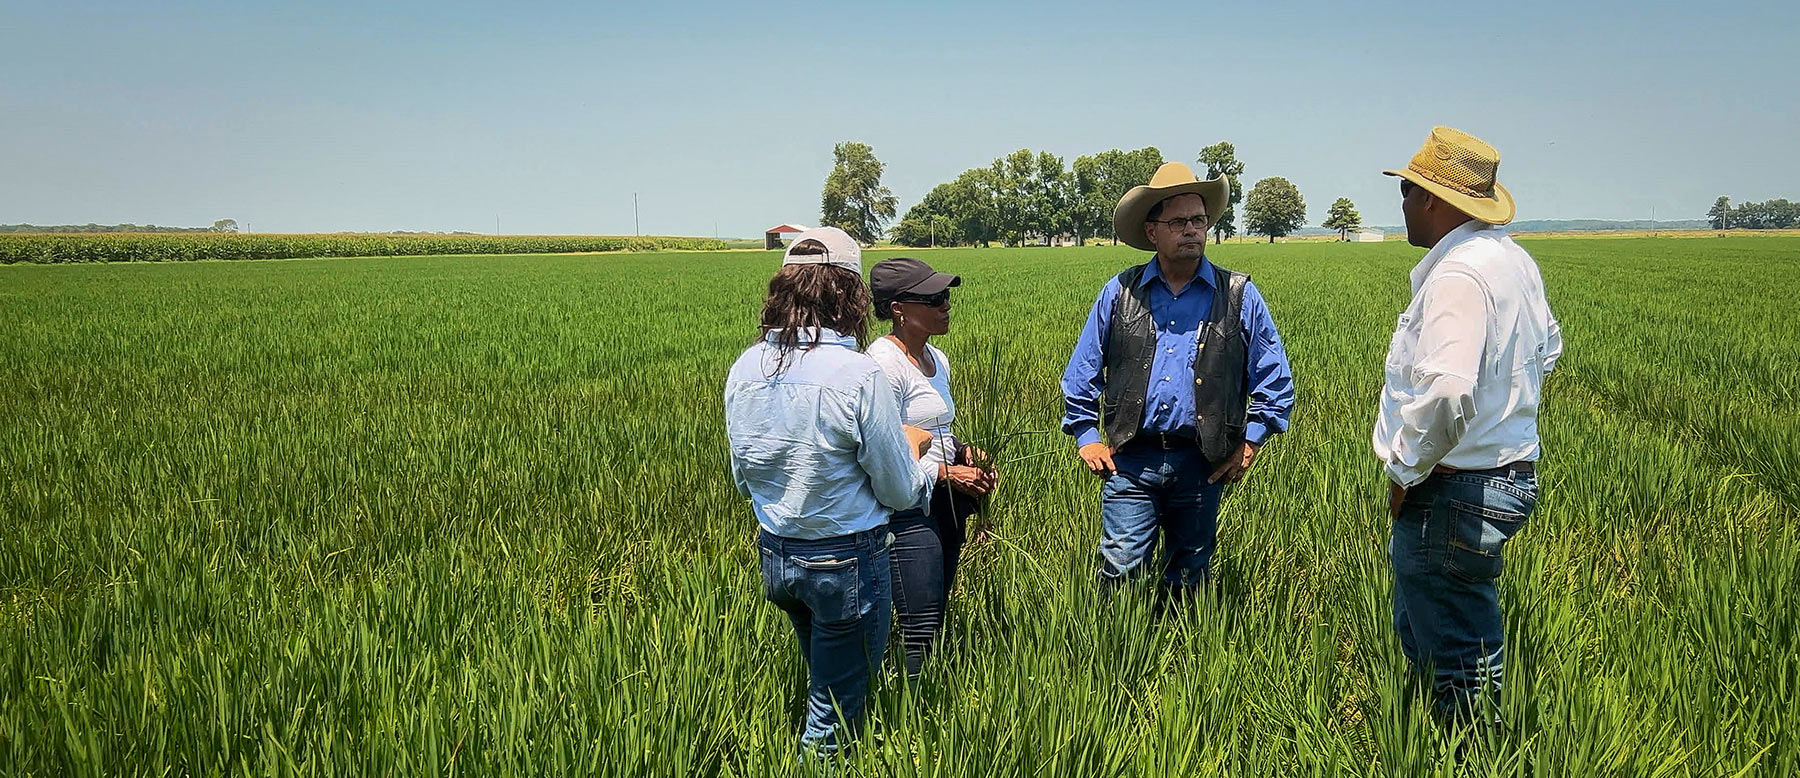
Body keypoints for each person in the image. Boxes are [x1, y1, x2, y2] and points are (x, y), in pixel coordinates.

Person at [1376, 126, 1563, 726]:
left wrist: (1405, 470)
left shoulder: (1458, 274)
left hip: (1452, 488)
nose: (1401, 202)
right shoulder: (1512, 259)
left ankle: (1469, 755)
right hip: (1504, 474)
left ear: (1432, 199)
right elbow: (1549, 347)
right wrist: (1505, 412)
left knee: (1460, 663)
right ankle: (1430, 738)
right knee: (1429, 627)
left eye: (1407, 190)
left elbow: (1448, 391)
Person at [723, 227, 935, 754]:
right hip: (845, 562)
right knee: (833, 718)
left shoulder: (745, 367)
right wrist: (921, 455)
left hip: (777, 554)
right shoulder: (856, 374)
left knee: (824, 681)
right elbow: (900, 491)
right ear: (851, 294)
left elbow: (741, 476)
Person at [1060, 162, 1295, 602]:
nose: (1191, 230)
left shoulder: (1239, 294)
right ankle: (1118, 657)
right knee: (1121, 568)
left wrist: (1252, 441)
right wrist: (1086, 435)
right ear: (1152, 232)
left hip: (1202, 461)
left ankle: (1180, 660)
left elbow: (1274, 378)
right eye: (1178, 222)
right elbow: (1082, 372)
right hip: (1130, 459)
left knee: (1190, 571)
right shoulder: (1120, 292)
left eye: (1199, 220)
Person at [865, 256, 998, 678]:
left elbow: (935, 429)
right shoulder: (883, 363)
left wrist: (964, 454)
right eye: (933, 297)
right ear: (899, 308)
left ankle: (926, 700)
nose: (946, 304)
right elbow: (885, 446)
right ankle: (907, 704)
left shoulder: (936, 357)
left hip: (946, 499)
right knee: (919, 621)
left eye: (946, 295)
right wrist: (945, 473)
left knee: (937, 604)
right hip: (907, 507)